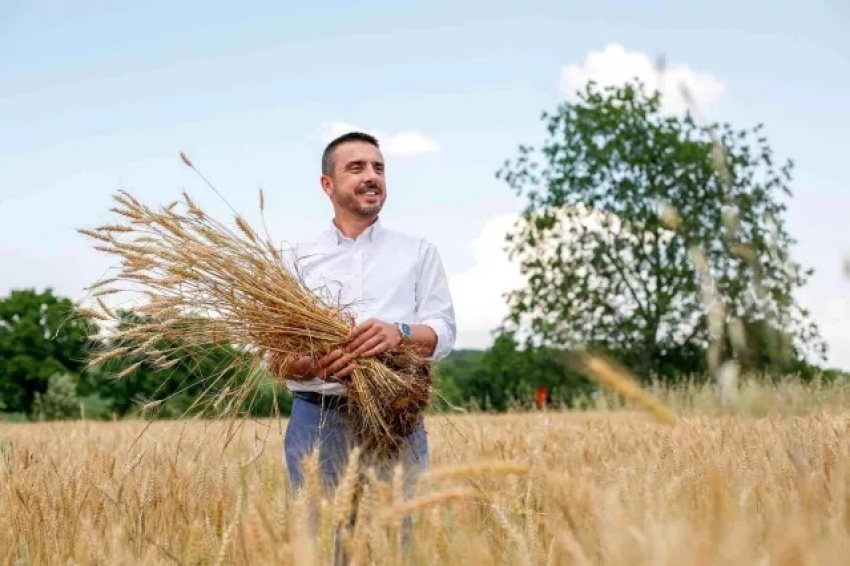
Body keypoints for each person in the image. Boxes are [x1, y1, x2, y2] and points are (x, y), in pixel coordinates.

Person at [280, 131, 457, 560]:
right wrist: (318, 365)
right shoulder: (294, 259)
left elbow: (444, 331)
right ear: (328, 185)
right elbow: (277, 357)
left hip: (397, 419)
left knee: (397, 545)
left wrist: (400, 332)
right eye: (356, 167)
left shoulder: (418, 252)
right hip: (317, 420)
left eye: (378, 168)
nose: (371, 176)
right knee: (321, 548)